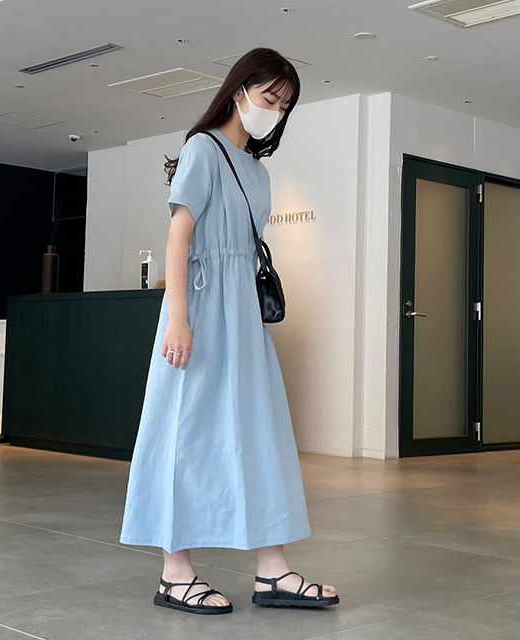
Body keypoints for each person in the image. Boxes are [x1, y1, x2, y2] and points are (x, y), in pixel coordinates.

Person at [120, 47, 338, 614]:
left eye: (285, 105)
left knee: (259, 432)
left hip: (241, 315)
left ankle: (273, 570)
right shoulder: (203, 149)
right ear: (239, 91)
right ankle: (174, 573)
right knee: (185, 436)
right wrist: (178, 320)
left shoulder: (259, 171)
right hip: (198, 310)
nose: (276, 111)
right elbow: (179, 238)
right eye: (270, 97)